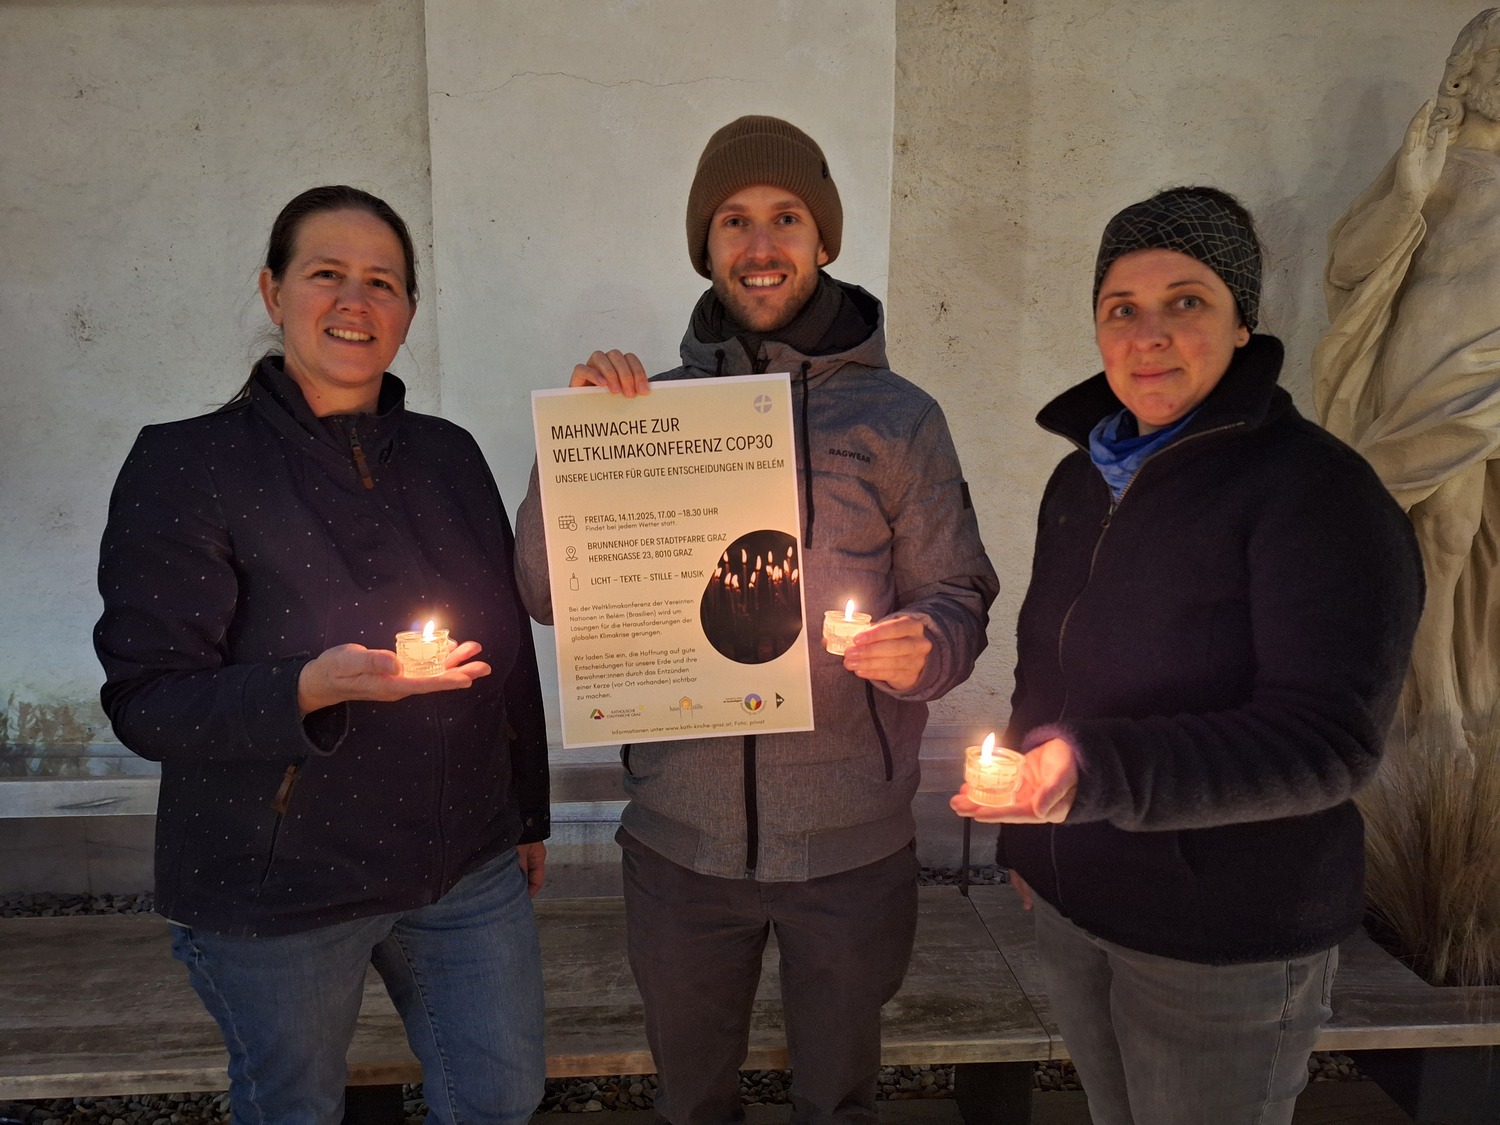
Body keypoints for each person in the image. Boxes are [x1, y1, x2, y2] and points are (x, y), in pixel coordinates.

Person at [515, 116, 998, 1125]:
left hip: (851, 849)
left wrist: (929, 647)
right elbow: (548, 593)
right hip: (679, 850)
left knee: (840, 1100)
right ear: (706, 244)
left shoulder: (899, 418)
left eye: (786, 216)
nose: (761, 242)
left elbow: (958, 593)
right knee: (691, 1102)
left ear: (823, 239)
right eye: (734, 219)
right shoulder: (647, 412)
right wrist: (573, 450)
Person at [952, 187, 1423, 1125]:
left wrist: (1090, 776)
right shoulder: (1080, 478)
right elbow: (1046, 668)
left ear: (1243, 322)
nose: (1149, 334)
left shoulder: (1317, 493)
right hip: (1079, 903)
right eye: (1121, 308)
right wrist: (1029, 841)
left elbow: (1326, 744)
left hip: (1223, 935)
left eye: (1186, 301)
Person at [93, 185, 550, 1125]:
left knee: (500, 1095)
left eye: (382, 281)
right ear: (273, 291)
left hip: (463, 864)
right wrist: (306, 688)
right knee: (294, 1108)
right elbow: (147, 699)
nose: (355, 300)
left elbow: (507, 657)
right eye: (326, 274)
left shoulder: (449, 454)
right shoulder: (188, 465)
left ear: (410, 309)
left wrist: (527, 812)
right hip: (282, 883)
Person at [1314, 6, 1500, 750]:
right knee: (1441, 530)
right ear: (1469, 67)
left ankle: (1476, 691)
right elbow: (1349, 262)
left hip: (1496, 362)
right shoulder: (1434, 154)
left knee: (1473, 535)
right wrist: (1407, 197)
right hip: (1431, 360)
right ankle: (1437, 707)